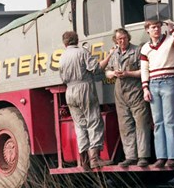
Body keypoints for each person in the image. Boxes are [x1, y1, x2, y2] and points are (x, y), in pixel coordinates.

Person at [140, 20, 174, 169]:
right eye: (152, 27)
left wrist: (173, 30)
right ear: (147, 30)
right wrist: (145, 88)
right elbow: (144, 70)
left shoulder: (169, 40)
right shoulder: (145, 48)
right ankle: (161, 157)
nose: (156, 29)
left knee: (170, 121)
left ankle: (172, 157)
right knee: (158, 123)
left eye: (158, 27)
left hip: (168, 81)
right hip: (153, 84)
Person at [99, 28, 151, 168]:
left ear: (128, 38)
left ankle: (143, 156)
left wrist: (127, 73)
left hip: (135, 90)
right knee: (125, 125)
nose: (122, 41)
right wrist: (113, 73)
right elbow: (106, 72)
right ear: (115, 40)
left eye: (124, 38)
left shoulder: (137, 51)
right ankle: (130, 157)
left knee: (141, 123)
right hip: (119, 91)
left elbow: (144, 71)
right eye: (119, 39)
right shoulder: (114, 54)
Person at [59, 31, 108, 170]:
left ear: (65, 43)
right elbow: (96, 68)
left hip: (70, 91)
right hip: (84, 88)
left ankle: (84, 160)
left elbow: (62, 78)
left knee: (79, 125)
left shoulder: (62, 57)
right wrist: (108, 58)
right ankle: (95, 158)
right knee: (93, 121)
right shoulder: (82, 52)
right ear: (77, 40)